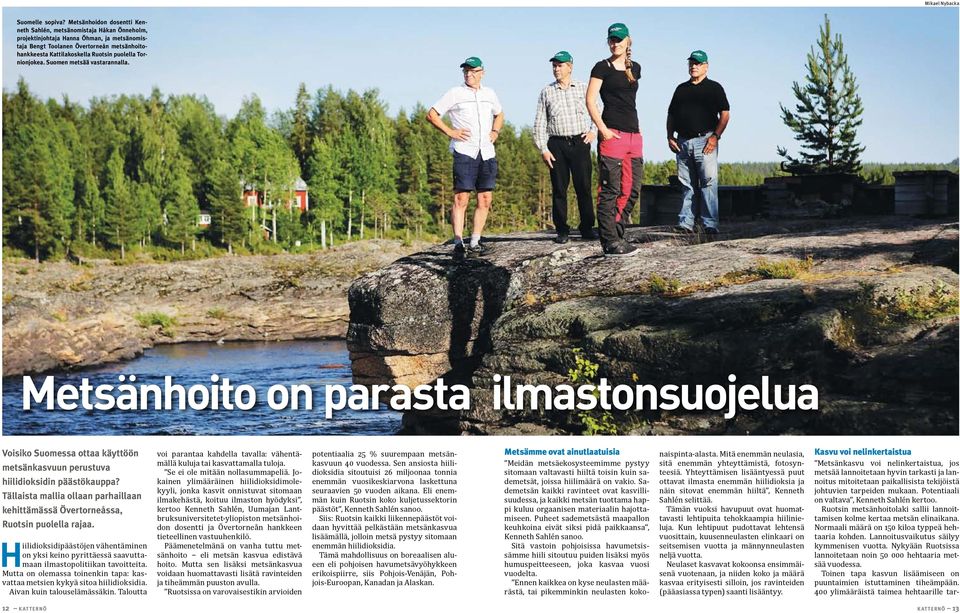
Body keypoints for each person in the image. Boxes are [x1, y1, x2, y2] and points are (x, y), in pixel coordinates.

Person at [426, 56, 505, 257]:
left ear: (482, 73)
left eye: (472, 71)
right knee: (461, 198)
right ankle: (458, 242)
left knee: (485, 198)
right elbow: (432, 114)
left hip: (486, 151)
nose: (469, 74)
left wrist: (495, 131)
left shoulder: (490, 93)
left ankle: (476, 241)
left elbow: (500, 113)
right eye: (466, 71)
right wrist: (450, 132)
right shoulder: (455, 93)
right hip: (465, 151)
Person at [586, 22, 643, 257]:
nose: (614, 43)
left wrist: (637, 134)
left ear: (628, 40)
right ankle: (609, 241)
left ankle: (619, 234)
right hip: (613, 135)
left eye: (619, 39)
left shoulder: (635, 68)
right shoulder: (602, 67)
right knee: (610, 190)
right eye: (611, 39)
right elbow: (590, 100)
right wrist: (603, 129)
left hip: (634, 135)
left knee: (631, 189)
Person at [533, 51, 597, 244]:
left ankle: (586, 227)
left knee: (583, 187)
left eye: (560, 65)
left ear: (570, 66)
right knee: (559, 189)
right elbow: (539, 123)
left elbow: (597, 109)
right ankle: (562, 230)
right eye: (554, 65)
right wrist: (543, 148)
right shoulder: (546, 91)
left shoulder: (583, 88)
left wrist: (594, 130)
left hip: (580, 142)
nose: (556, 69)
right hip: (556, 145)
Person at [666, 49, 730, 235]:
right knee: (687, 184)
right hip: (683, 142)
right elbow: (671, 114)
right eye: (691, 63)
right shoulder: (681, 89)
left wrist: (715, 137)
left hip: (706, 140)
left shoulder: (715, 88)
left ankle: (710, 224)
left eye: (698, 63)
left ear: (706, 67)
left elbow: (725, 114)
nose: (694, 66)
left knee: (708, 183)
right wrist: (670, 136)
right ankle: (686, 223)